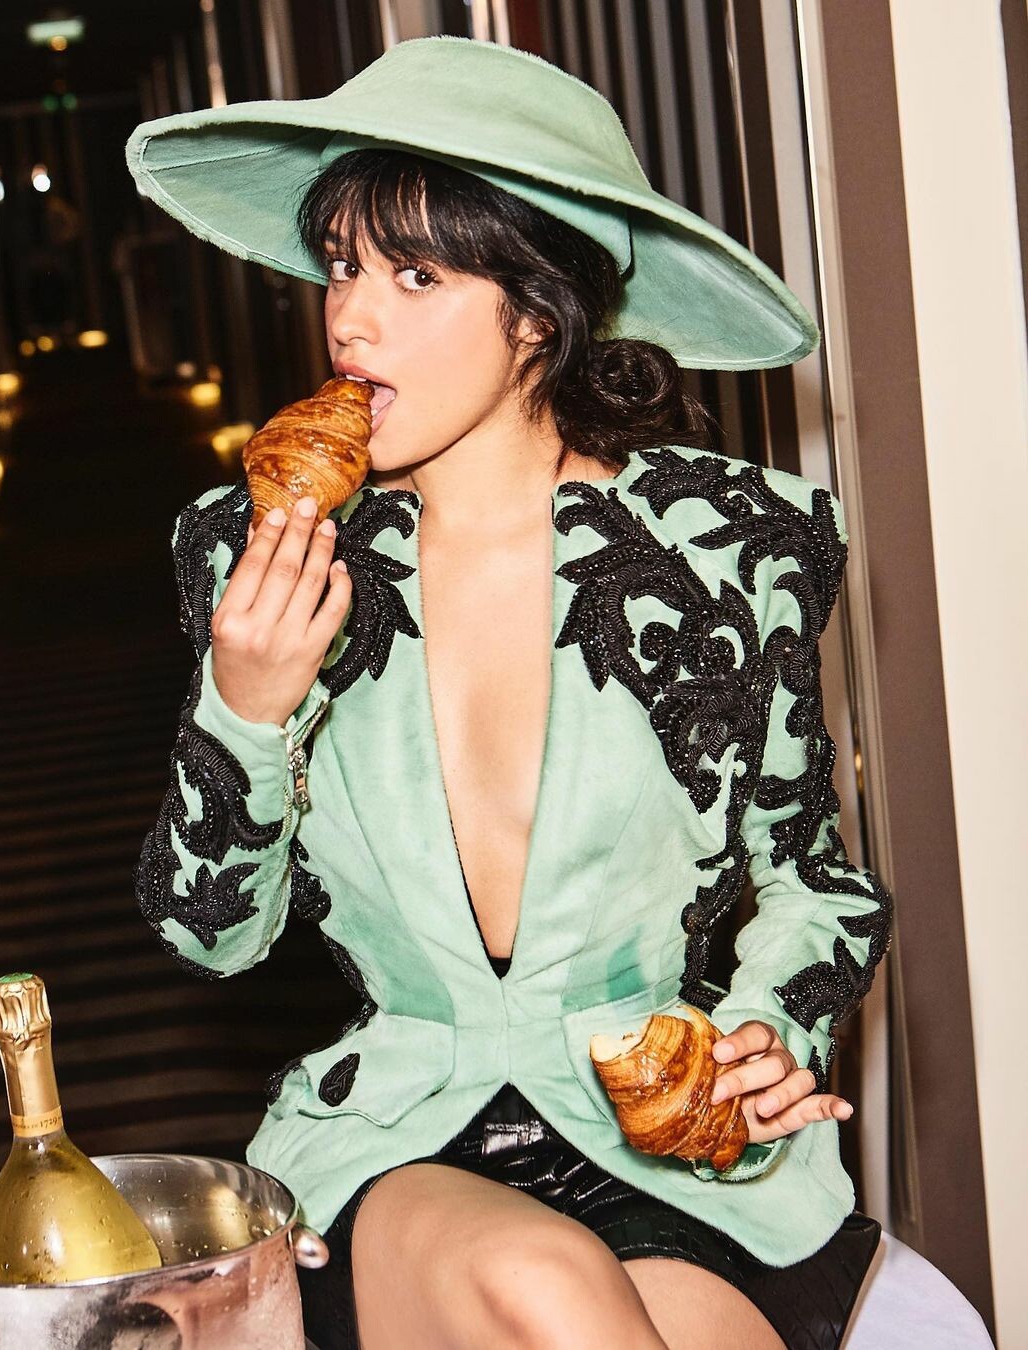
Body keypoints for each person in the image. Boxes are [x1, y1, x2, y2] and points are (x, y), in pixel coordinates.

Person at [128, 37, 891, 1350]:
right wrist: (246, 709)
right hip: (393, 1149)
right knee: (542, 1285)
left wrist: (766, 1034)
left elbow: (815, 880)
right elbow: (212, 935)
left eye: (415, 274)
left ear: (538, 311)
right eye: (343, 265)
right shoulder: (256, 550)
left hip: (670, 1151)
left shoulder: (729, 549)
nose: (349, 317)